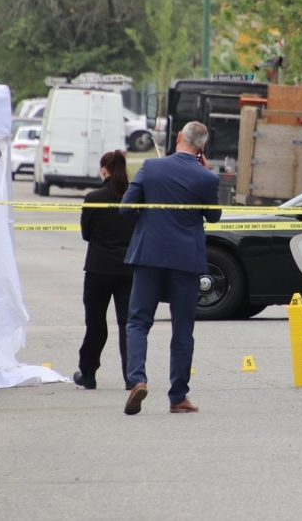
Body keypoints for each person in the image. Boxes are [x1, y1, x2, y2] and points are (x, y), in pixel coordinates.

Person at [120, 121, 221, 415]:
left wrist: (151, 217)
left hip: (149, 254)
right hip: (185, 260)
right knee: (183, 329)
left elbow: (126, 208)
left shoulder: (151, 167)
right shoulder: (206, 178)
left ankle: (137, 379)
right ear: (202, 148)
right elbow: (213, 217)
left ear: (178, 138)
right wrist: (206, 172)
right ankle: (178, 397)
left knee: (138, 322)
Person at [74, 150, 135, 391]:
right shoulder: (135, 197)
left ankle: (88, 373)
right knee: (128, 325)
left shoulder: (93, 197)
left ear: (104, 170)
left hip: (98, 269)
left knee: (96, 324)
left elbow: (86, 234)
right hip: (129, 270)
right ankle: (132, 377)